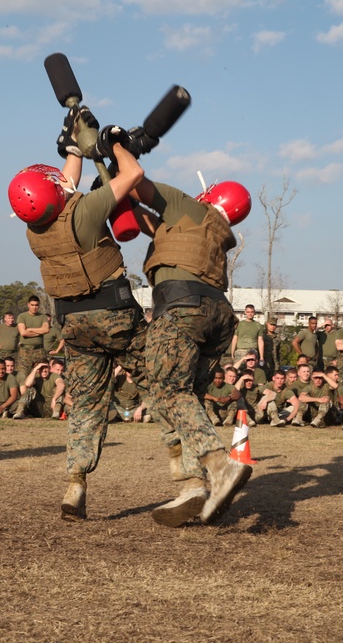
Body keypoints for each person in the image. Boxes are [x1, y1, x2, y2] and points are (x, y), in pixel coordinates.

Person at [10, 110, 148, 522]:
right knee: (163, 381)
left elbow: (61, 188)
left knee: (86, 405)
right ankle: (189, 468)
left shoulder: (35, 228)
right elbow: (134, 174)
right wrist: (115, 144)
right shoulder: (85, 212)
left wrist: (75, 145)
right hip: (115, 315)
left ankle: (76, 483)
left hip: (74, 325)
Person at [131, 173, 253, 527]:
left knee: (169, 391)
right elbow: (152, 225)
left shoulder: (189, 208)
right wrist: (117, 198)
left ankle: (220, 466)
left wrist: (115, 154)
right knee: (190, 400)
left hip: (182, 306)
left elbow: (137, 182)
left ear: (210, 196)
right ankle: (195, 487)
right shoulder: (213, 232)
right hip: (217, 314)